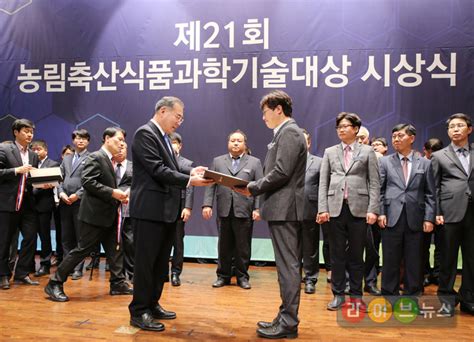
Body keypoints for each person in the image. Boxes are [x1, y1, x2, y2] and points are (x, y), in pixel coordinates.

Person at [128, 96, 213, 332]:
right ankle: (139, 311)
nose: (180, 122)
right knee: (146, 263)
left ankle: (152, 304)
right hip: (149, 211)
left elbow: (172, 166)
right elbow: (157, 169)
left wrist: (191, 169)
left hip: (165, 211)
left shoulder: (164, 137)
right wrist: (190, 180)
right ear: (163, 111)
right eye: (178, 117)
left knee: (159, 263)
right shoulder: (145, 134)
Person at [234, 90, 306, 339]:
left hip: (286, 209)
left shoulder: (290, 132)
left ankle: (288, 322)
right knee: (286, 266)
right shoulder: (285, 133)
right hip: (281, 208)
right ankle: (284, 315)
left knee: (288, 266)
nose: (263, 117)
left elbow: (281, 172)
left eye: (265, 112)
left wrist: (251, 187)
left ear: (278, 109)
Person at [44, 127, 133, 301]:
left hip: (108, 214)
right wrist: (113, 193)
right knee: (82, 250)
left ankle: (117, 282)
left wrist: (120, 194)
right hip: (94, 215)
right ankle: (54, 283)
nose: (122, 143)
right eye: (119, 139)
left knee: (115, 250)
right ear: (107, 139)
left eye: (123, 140)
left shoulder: (110, 160)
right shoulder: (96, 157)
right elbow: (88, 182)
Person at [318, 112, 380, 312]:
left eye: (345, 126)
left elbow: (374, 183)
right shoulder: (329, 151)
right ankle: (338, 295)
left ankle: (356, 296)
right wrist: (322, 208)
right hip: (335, 209)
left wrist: (373, 209)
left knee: (356, 255)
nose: (342, 130)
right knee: (336, 255)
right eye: (339, 127)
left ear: (356, 129)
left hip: (359, 210)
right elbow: (323, 182)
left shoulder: (368, 151)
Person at [378, 124, 436, 300]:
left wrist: (429, 218)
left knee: (414, 261)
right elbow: (379, 190)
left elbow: (430, 194)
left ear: (412, 138)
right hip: (391, 217)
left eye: (400, 136)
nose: (396, 139)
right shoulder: (385, 161)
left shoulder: (425, 163)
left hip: (415, 219)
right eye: (394, 136)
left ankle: (413, 297)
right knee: (390, 260)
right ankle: (389, 296)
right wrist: (380, 212)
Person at [202, 129, 263, 290]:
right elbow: (210, 184)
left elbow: (259, 187)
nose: (236, 143)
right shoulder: (218, 161)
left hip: (244, 210)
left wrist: (257, 208)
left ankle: (242, 277)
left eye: (239, 141)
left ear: (245, 144)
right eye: (233, 140)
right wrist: (207, 205)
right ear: (228, 143)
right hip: (224, 210)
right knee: (224, 246)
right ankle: (223, 276)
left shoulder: (254, 162)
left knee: (243, 247)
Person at [431, 113, 474, 316]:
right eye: (452, 127)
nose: (455, 129)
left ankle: (468, 298)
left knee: (471, 259)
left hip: (472, 213)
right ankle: (447, 299)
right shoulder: (439, 156)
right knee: (447, 258)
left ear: (469, 129)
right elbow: (434, 187)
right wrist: (437, 212)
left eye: (460, 126)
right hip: (449, 213)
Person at [0, 119, 40, 289]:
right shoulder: (4, 149)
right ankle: (3, 275)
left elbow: (31, 180)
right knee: (4, 241)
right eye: (26, 131)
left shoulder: (33, 155)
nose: (29, 134)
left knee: (30, 238)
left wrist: (42, 182)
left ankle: (22, 273)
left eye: (31, 131)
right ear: (16, 132)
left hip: (28, 204)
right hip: (7, 202)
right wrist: (16, 170)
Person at [57, 129, 90, 280]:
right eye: (77, 138)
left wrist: (77, 195)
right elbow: (59, 179)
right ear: (73, 141)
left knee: (80, 237)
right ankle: (66, 267)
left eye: (83, 138)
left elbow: (90, 182)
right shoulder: (67, 158)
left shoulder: (91, 158)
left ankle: (78, 268)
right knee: (66, 238)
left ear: (88, 141)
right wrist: (61, 193)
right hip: (65, 203)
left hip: (80, 203)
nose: (80, 141)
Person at [168, 132, 194, 287]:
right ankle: (161, 272)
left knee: (178, 241)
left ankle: (176, 273)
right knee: (161, 241)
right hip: (163, 207)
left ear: (180, 145)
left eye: (175, 143)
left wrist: (188, 207)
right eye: (170, 143)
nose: (173, 145)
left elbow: (190, 186)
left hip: (179, 206)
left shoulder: (186, 163)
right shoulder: (161, 160)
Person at [31, 139, 60, 277]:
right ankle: (28, 264)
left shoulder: (53, 164)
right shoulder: (29, 163)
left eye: (39, 149)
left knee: (44, 236)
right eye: (34, 149)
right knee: (29, 236)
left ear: (45, 151)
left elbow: (57, 181)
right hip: (29, 205)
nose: (36, 152)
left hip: (44, 205)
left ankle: (45, 264)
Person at [301, 129, 322, 294]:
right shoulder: (286, 161)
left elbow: (323, 187)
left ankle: (310, 279)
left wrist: (321, 209)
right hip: (289, 211)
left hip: (311, 209)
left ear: (309, 143)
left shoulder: (319, 162)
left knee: (310, 247)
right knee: (291, 248)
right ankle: (292, 278)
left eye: (304, 141)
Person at [421, 138, 444, 287]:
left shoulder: (441, 161)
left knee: (440, 246)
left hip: (442, 210)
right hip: (425, 209)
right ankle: (426, 273)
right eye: (431, 152)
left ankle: (436, 274)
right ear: (425, 150)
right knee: (424, 246)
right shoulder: (420, 163)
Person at [115, 142, 134, 283]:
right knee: (115, 243)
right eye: (118, 148)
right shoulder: (108, 166)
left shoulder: (134, 166)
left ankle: (132, 272)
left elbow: (140, 183)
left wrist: (129, 193)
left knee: (130, 242)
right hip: (111, 209)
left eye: (123, 148)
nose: (120, 150)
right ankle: (118, 274)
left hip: (129, 209)